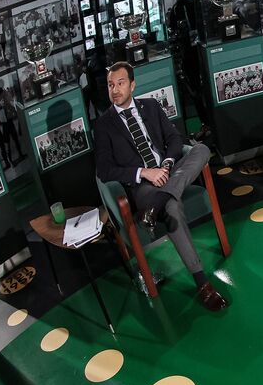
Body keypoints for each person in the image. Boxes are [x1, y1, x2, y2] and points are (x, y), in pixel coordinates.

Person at [94, 61, 229, 312]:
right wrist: (145, 172)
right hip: (143, 186)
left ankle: (157, 205)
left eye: (120, 83)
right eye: (111, 85)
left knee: (201, 150)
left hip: (170, 171)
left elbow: (174, 139)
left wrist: (166, 165)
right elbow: (104, 170)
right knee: (172, 208)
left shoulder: (151, 106)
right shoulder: (104, 125)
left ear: (132, 85)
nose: (115, 90)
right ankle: (202, 282)